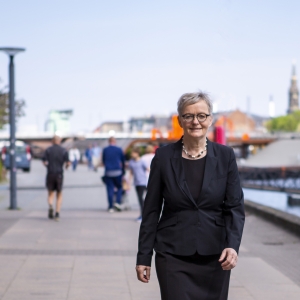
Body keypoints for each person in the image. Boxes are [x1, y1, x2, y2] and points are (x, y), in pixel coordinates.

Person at [136, 92, 245, 300]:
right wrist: (143, 257)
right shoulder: (163, 157)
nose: (196, 121)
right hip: (172, 254)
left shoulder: (225, 156)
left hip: (215, 254)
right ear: (180, 120)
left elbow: (235, 207)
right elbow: (151, 210)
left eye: (202, 116)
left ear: (210, 119)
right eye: (188, 116)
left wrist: (232, 245)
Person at [43, 134, 70, 221]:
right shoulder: (63, 150)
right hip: (59, 174)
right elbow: (68, 163)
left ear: (52, 141)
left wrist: (48, 166)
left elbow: (44, 161)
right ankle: (57, 213)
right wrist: (66, 167)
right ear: (59, 141)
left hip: (50, 173)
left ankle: (50, 205)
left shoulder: (48, 150)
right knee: (59, 194)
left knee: (50, 193)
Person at [102, 137, 125, 213]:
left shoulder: (105, 150)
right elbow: (123, 160)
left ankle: (110, 207)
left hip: (108, 172)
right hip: (117, 171)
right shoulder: (119, 149)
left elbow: (103, 161)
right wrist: (123, 171)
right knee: (119, 187)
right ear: (115, 141)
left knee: (110, 189)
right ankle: (118, 202)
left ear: (109, 142)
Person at [128, 148, 148, 222]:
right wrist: (128, 183)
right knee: (140, 200)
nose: (131, 154)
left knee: (142, 199)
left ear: (137, 153)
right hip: (136, 183)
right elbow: (131, 173)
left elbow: (148, 169)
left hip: (143, 182)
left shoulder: (142, 161)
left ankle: (143, 216)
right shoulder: (131, 162)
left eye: (133, 153)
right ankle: (142, 215)